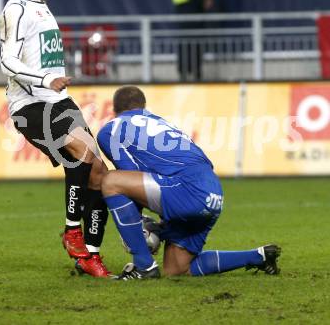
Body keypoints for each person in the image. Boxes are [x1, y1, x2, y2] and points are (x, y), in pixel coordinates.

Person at [0, 0, 110, 277]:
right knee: (83, 150)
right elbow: (8, 61)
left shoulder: (42, 9)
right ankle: (72, 230)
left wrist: (53, 81)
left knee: (99, 172)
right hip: (30, 105)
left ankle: (89, 256)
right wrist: (47, 78)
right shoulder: (16, 9)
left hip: (58, 100)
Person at [97, 85, 281, 280]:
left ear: (115, 110)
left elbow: (131, 175)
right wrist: (159, 227)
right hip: (213, 192)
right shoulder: (163, 123)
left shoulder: (112, 128)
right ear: (143, 106)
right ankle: (258, 256)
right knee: (176, 267)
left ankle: (144, 266)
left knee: (111, 181)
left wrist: (138, 225)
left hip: (186, 189)